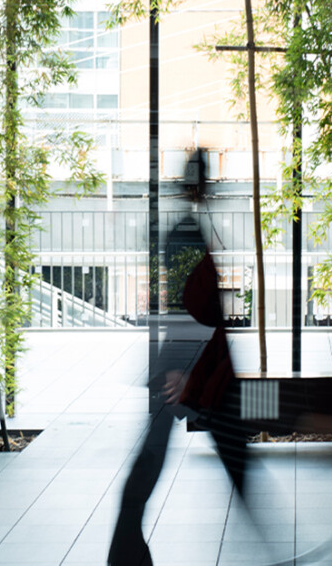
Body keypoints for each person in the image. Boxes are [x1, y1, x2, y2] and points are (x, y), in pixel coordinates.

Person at [109, 148, 253, 566]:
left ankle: (126, 549)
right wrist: (184, 372)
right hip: (186, 367)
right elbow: (186, 308)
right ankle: (125, 549)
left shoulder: (184, 228)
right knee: (163, 453)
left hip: (188, 364)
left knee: (168, 451)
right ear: (202, 185)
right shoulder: (188, 232)